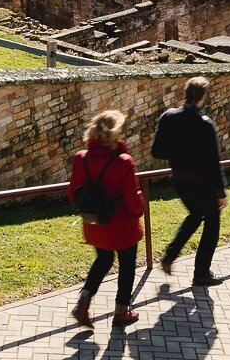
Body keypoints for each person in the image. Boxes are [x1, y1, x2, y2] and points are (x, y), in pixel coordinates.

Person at [67, 110, 144, 328]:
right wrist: (140, 210)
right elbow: (132, 200)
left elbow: (73, 193)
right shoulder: (123, 161)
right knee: (127, 266)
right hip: (122, 225)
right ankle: (122, 311)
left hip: (95, 223)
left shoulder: (81, 159)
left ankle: (83, 302)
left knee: (103, 260)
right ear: (117, 133)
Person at [151, 77, 228, 287]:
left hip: (179, 179)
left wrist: (178, 152)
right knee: (212, 224)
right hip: (202, 182)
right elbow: (214, 161)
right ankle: (201, 272)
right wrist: (220, 191)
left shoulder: (168, 117)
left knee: (195, 215)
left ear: (186, 93)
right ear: (202, 97)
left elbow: (156, 151)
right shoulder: (204, 124)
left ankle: (170, 255)